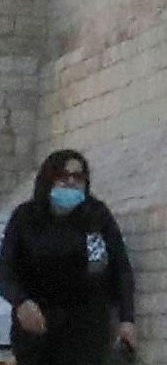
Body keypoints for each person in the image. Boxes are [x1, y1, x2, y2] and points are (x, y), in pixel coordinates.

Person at [0, 154, 134, 365]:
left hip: (87, 328)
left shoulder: (95, 216)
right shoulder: (25, 218)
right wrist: (21, 302)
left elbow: (119, 268)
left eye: (78, 177)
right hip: (37, 327)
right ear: (48, 178)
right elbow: (6, 269)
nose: (71, 181)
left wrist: (127, 319)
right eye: (64, 176)